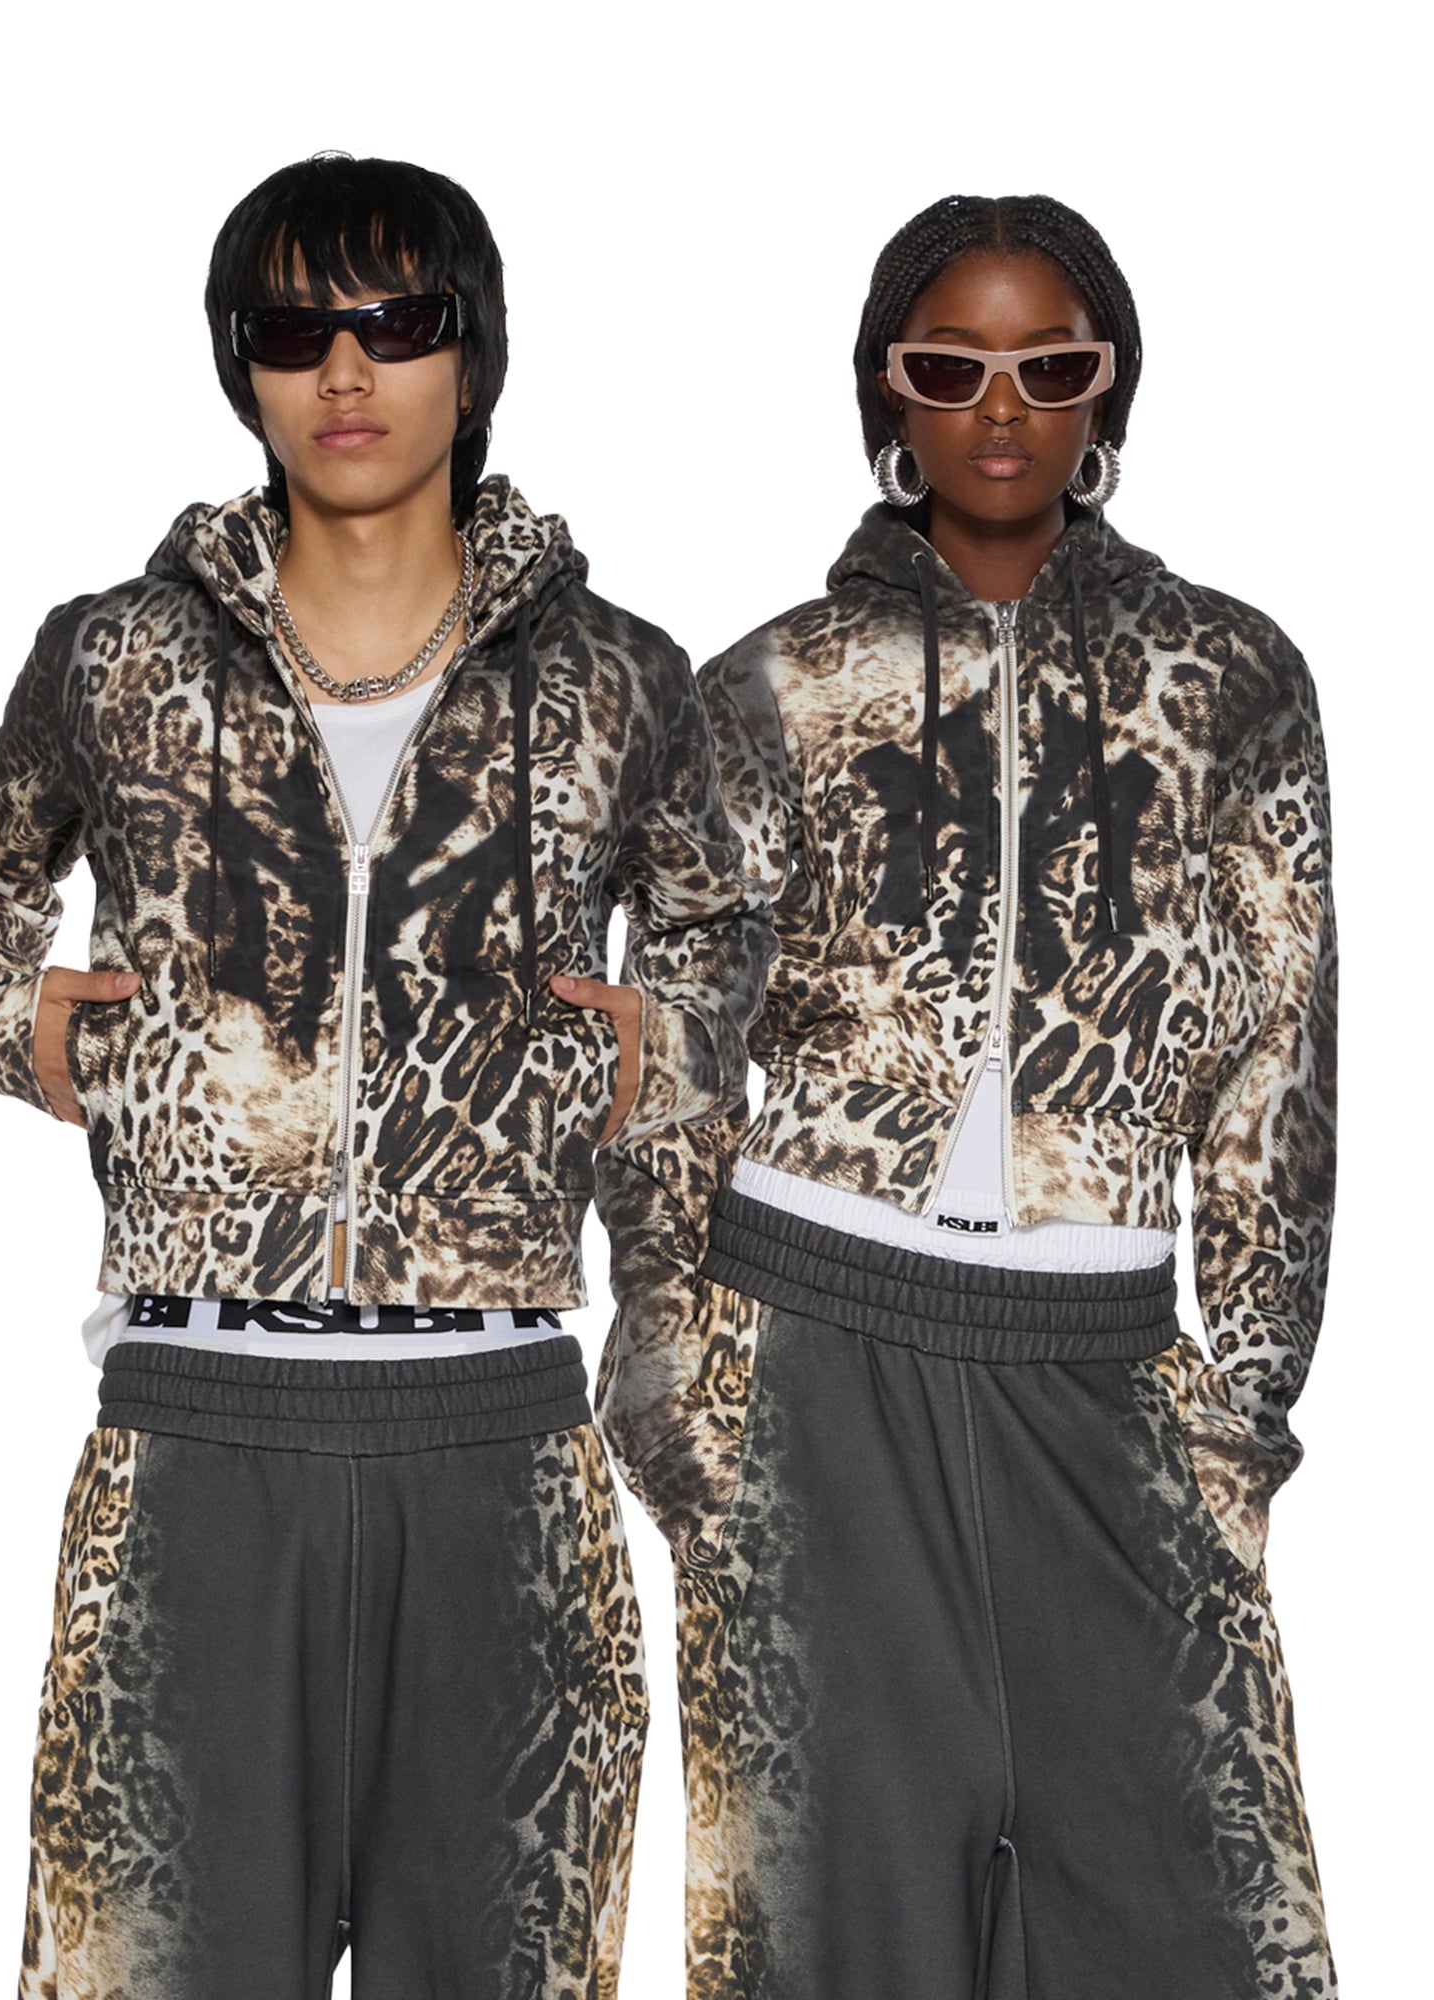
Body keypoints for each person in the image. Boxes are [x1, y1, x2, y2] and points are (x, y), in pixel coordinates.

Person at [0, 151, 771, 2000]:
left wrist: (658, 1048)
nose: (348, 371)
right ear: (243, 364)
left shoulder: (620, 679)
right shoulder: (115, 657)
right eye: (296, 332)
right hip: (192, 1444)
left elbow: (725, 941)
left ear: (475, 352)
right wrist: (25, 1019)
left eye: (398, 321)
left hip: (504, 1449)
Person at [665, 195, 1336, 1998]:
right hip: (814, 1357)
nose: (1003, 408)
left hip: (1105, 1359)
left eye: (1051, 364)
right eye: (950, 366)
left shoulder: (1236, 681)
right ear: (886, 390)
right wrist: (682, 1382)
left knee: (1200, 1929)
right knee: (834, 1946)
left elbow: (1279, 1066)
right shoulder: (775, 685)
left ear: (1111, 385)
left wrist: (1244, 1409)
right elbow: (671, 1051)